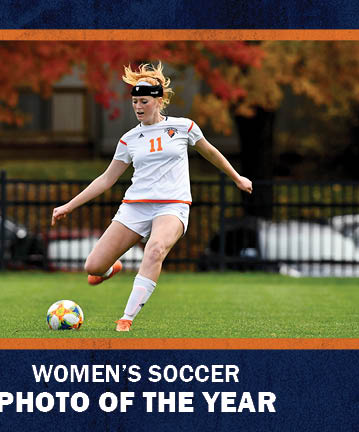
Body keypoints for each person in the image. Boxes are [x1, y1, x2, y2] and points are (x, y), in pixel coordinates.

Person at [51, 62, 252, 332]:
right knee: (94, 266)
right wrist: (68, 206)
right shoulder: (129, 139)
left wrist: (237, 177)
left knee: (155, 249)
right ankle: (111, 269)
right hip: (135, 207)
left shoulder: (184, 127)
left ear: (159, 100)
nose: (137, 107)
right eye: (134, 101)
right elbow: (106, 179)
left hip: (173, 205)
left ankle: (126, 318)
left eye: (143, 101)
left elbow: (211, 152)